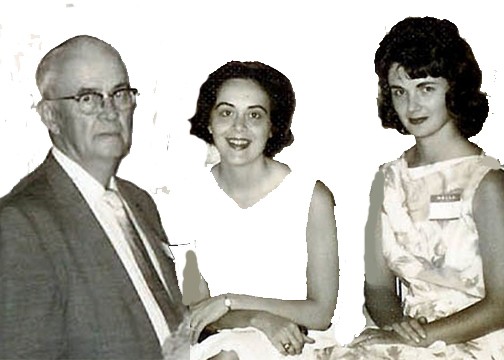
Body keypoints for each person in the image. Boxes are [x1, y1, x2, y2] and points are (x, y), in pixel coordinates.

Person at [321, 16, 504, 360]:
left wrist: (421, 339)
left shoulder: (488, 183)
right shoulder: (388, 179)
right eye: (399, 92)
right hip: (410, 339)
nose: (412, 105)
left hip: (481, 343)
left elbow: (502, 304)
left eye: (426, 88)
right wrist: (397, 330)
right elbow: (377, 287)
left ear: (454, 88)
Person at [0, 35, 188, 359]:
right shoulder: (21, 225)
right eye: (88, 98)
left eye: (119, 94)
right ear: (50, 116)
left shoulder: (139, 202)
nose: (110, 111)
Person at [162, 61, 339, 359]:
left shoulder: (311, 197)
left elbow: (320, 312)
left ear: (272, 127)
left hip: (298, 341)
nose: (238, 127)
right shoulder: (185, 199)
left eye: (254, 115)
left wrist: (232, 300)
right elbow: (196, 310)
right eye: (226, 112)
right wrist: (254, 318)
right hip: (218, 336)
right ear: (209, 122)